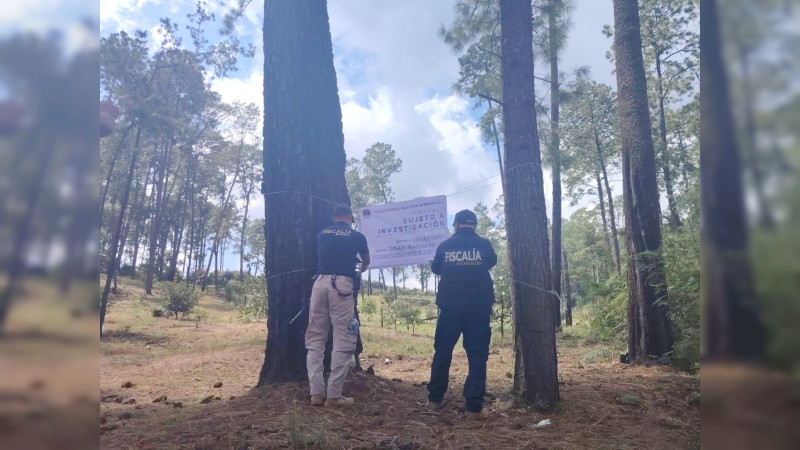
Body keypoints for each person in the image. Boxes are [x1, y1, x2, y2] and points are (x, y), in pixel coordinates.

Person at [426, 209, 497, 420]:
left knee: (443, 352)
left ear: (455, 225)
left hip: (450, 308)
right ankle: (474, 409)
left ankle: (434, 401)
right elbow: (491, 262)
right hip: (478, 308)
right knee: (477, 356)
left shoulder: (445, 246)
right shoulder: (484, 245)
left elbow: (436, 268)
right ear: (474, 225)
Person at [305, 204, 370, 408]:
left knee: (316, 338)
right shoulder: (357, 236)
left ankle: (316, 393)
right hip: (341, 286)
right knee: (343, 338)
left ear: (334, 218)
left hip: (319, 283)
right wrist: (359, 269)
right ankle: (334, 396)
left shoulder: (322, 234)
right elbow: (366, 262)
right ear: (350, 218)